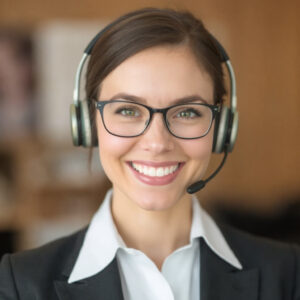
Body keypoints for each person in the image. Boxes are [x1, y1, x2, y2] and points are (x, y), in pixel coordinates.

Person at [0, 7, 300, 300]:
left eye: (187, 112)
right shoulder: (19, 285)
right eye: (128, 110)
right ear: (88, 124)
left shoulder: (288, 275)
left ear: (221, 128)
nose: (157, 143)